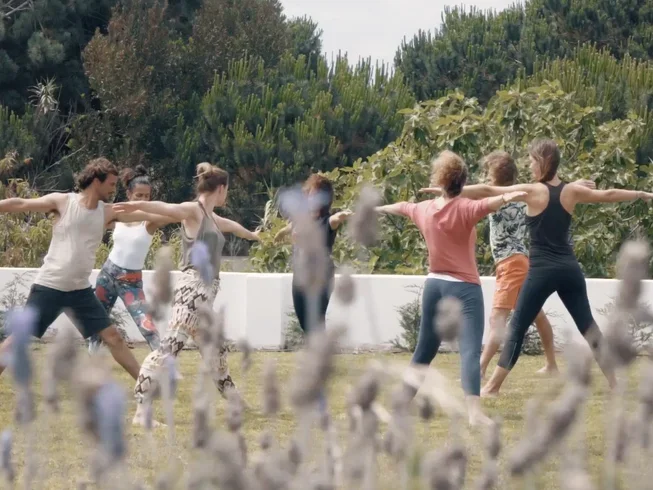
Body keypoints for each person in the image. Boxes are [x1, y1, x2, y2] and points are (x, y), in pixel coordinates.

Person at [432, 139, 652, 396]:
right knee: (588, 327)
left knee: (516, 328)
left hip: (542, 272)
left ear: (543, 162)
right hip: (570, 270)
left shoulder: (533, 191)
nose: (529, 165)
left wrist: (448, 191)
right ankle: (615, 383)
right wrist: (641, 194)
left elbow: (487, 190)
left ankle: (491, 387)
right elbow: (608, 195)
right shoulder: (572, 191)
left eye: (532, 161)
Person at [376, 150, 527, 426]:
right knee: (469, 351)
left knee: (424, 350)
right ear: (463, 181)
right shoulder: (465, 208)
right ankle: (474, 414)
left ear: (440, 181)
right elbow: (489, 203)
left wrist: (378, 209)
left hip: (434, 286)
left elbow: (402, 206)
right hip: (464, 289)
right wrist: (509, 196)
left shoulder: (424, 209)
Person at [114, 162, 260, 427]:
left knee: (216, 351)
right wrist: (133, 207)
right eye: (227, 189)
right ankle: (141, 412)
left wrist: (254, 235)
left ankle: (235, 400)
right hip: (192, 292)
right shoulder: (194, 211)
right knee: (168, 350)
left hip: (204, 297)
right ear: (221, 188)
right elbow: (164, 208)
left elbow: (235, 227)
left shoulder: (212, 218)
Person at [0, 158, 162, 381]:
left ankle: (144, 385)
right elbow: (20, 204)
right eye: (111, 184)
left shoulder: (107, 212)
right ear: (96, 181)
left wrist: (188, 212)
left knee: (113, 337)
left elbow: (146, 212)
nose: (114, 189)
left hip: (80, 292)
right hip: (50, 287)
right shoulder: (63, 202)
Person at [87, 165, 174, 354]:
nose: (143, 200)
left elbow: (171, 215)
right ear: (129, 194)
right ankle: (91, 358)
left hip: (131, 281)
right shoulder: (118, 216)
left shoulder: (149, 221)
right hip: (107, 274)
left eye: (147, 196)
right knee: (97, 322)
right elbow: (94, 216)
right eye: (138, 195)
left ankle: (162, 361)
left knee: (146, 325)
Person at [274, 173, 352, 335]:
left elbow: (335, 219)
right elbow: (290, 227)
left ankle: (319, 349)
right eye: (311, 194)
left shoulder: (327, 221)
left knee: (316, 319)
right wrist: (280, 233)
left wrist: (343, 215)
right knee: (303, 318)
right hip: (300, 275)